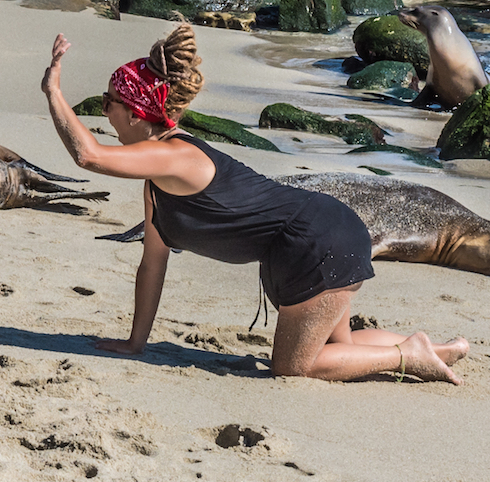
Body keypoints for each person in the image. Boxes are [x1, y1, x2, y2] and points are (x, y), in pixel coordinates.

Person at [41, 24, 468, 384]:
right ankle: (436, 349)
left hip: (317, 240)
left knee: (294, 367)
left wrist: (53, 90)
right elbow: (153, 264)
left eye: (109, 102)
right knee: (341, 347)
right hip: (312, 237)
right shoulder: (157, 182)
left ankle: (407, 355)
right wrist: (136, 343)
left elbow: (88, 155)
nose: (105, 111)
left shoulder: (176, 155)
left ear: (135, 113)